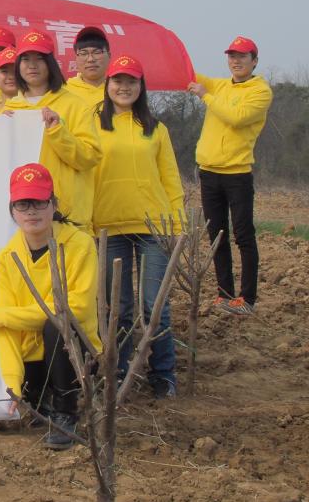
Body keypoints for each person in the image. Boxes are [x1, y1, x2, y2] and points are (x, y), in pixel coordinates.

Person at [0, 163, 101, 450]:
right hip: (33, 355)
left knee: (56, 323)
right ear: (12, 210)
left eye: (39, 202)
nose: (32, 211)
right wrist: (12, 380)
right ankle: (38, 398)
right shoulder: (5, 258)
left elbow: (78, 308)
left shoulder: (80, 245)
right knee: (24, 331)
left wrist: (7, 316)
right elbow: (5, 329)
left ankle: (66, 412)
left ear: (53, 205)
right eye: (23, 204)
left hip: (75, 350)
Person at [93, 56, 184, 398]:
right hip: (107, 225)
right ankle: (117, 373)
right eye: (118, 80)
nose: (124, 87)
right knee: (118, 308)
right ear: (108, 85)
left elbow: (170, 178)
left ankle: (164, 375)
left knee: (154, 305)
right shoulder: (91, 124)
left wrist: (177, 224)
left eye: (131, 81)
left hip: (153, 226)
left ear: (141, 86)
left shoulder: (156, 129)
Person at [188, 36, 273, 316]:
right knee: (217, 235)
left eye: (242, 56)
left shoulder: (260, 92)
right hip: (209, 173)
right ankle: (224, 295)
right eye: (232, 56)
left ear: (254, 61)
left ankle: (247, 299)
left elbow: (236, 117)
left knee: (243, 235)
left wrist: (205, 96)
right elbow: (189, 76)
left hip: (237, 175)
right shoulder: (222, 85)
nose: (236, 61)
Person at [4, 31, 102, 233]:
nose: (32, 65)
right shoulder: (9, 110)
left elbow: (90, 157)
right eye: (26, 59)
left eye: (39, 59)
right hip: (22, 219)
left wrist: (58, 131)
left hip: (67, 219)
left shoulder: (75, 105)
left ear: (51, 63)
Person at [66, 26, 111, 110]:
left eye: (97, 52)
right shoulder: (64, 91)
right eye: (83, 53)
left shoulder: (119, 91)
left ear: (109, 55)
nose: (90, 59)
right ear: (76, 58)